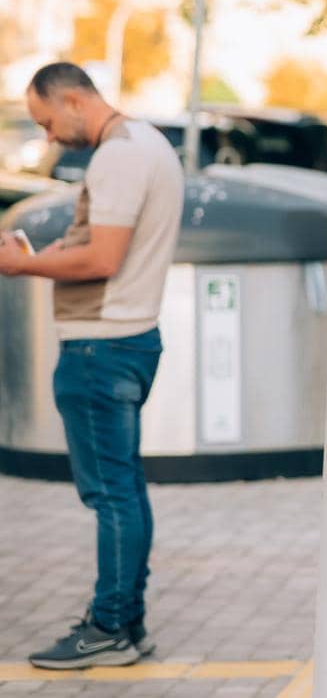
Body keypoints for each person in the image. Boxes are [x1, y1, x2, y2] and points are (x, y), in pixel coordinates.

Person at [0, 63, 183, 669]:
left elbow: (104, 258)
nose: (50, 136)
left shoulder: (118, 157)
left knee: (111, 495)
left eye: (49, 121)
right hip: (124, 339)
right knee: (123, 490)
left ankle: (109, 627)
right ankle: (126, 624)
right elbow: (102, 244)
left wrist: (23, 268)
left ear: (75, 99)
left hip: (101, 347)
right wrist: (44, 255)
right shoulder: (145, 144)